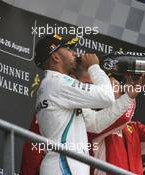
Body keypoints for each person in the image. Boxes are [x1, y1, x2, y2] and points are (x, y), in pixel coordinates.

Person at [20, 65, 145, 175]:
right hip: (57, 167)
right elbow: (31, 156)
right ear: (75, 80)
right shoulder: (54, 95)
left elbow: (97, 122)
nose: (91, 90)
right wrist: (130, 99)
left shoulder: (82, 112)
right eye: (88, 86)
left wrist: (129, 96)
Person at [34, 33, 117, 175]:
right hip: (64, 165)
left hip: (64, 164)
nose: (74, 53)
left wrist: (129, 97)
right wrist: (94, 67)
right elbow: (106, 96)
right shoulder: (58, 82)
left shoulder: (53, 84)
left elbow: (95, 123)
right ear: (55, 57)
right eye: (68, 48)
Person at [88, 83, 145, 175]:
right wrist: (131, 95)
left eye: (118, 86)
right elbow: (122, 117)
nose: (119, 89)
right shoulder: (93, 124)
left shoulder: (134, 128)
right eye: (112, 86)